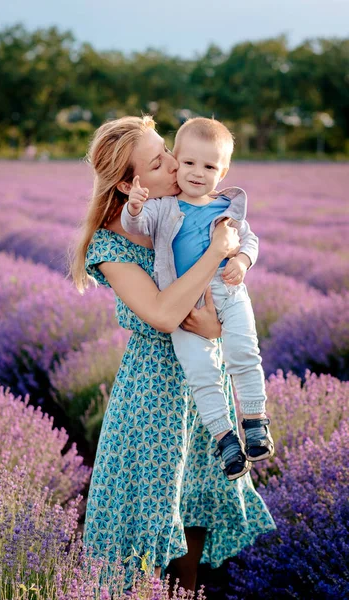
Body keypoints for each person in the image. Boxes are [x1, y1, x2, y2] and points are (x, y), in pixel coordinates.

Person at [71, 115, 276, 592]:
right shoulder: (110, 242)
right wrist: (215, 253)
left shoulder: (187, 212)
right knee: (150, 512)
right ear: (127, 183)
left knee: (198, 504)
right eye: (158, 160)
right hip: (155, 393)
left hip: (204, 379)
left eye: (167, 151)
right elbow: (163, 315)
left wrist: (219, 325)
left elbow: (223, 300)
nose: (173, 164)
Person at [121, 117, 274, 482]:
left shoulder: (227, 207)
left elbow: (248, 240)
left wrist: (241, 260)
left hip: (229, 289)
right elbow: (135, 227)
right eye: (188, 162)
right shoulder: (165, 207)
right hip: (185, 300)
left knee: (244, 353)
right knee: (201, 372)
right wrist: (135, 207)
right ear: (177, 159)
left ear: (223, 172)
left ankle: (254, 421)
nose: (196, 172)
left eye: (209, 166)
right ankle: (225, 439)